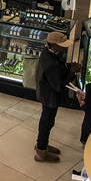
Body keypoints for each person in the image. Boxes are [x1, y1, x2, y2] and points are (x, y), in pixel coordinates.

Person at [35, 30, 75, 162]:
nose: (65, 47)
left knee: (47, 121)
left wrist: (68, 67)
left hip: (47, 94)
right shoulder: (50, 63)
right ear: (54, 45)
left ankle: (43, 145)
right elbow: (58, 86)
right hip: (50, 97)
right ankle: (41, 151)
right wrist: (72, 73)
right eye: (62, 45)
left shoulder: (48, 53)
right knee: (47, 122)